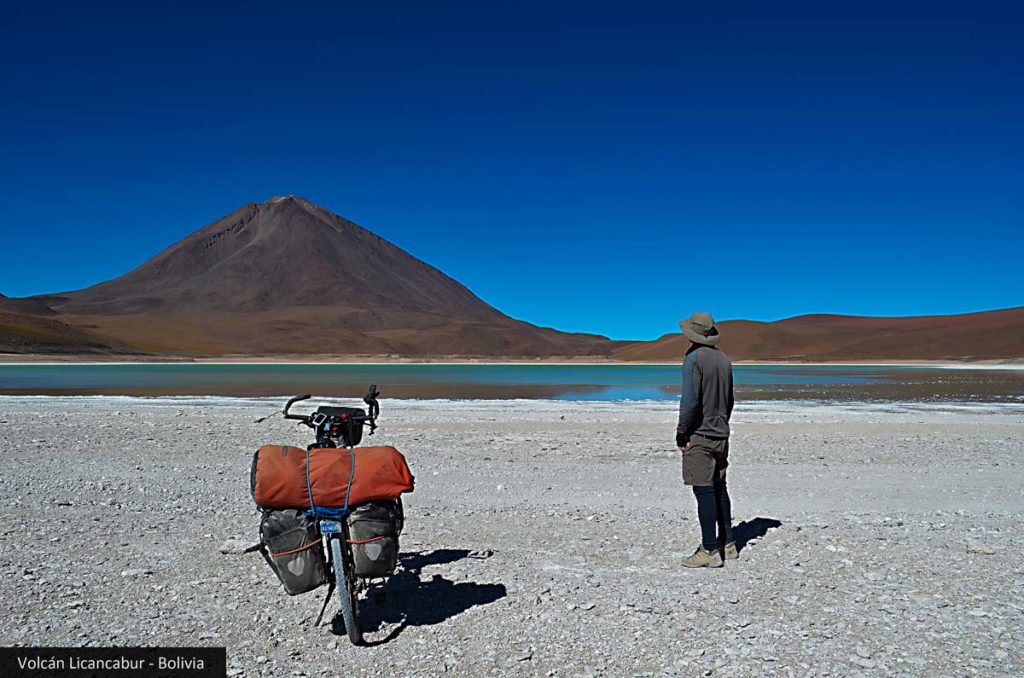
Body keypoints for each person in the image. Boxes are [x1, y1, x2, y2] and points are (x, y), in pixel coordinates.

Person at [675, 311, 736, 568]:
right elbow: (729, 400)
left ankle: (709, 550)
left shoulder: (693, 359)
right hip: (721, 433)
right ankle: (728, 544)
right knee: (720, 487)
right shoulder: (724, 359)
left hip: (700, 434)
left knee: (704, 490)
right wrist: (722, 423)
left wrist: (682, 432)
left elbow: (690, 401)